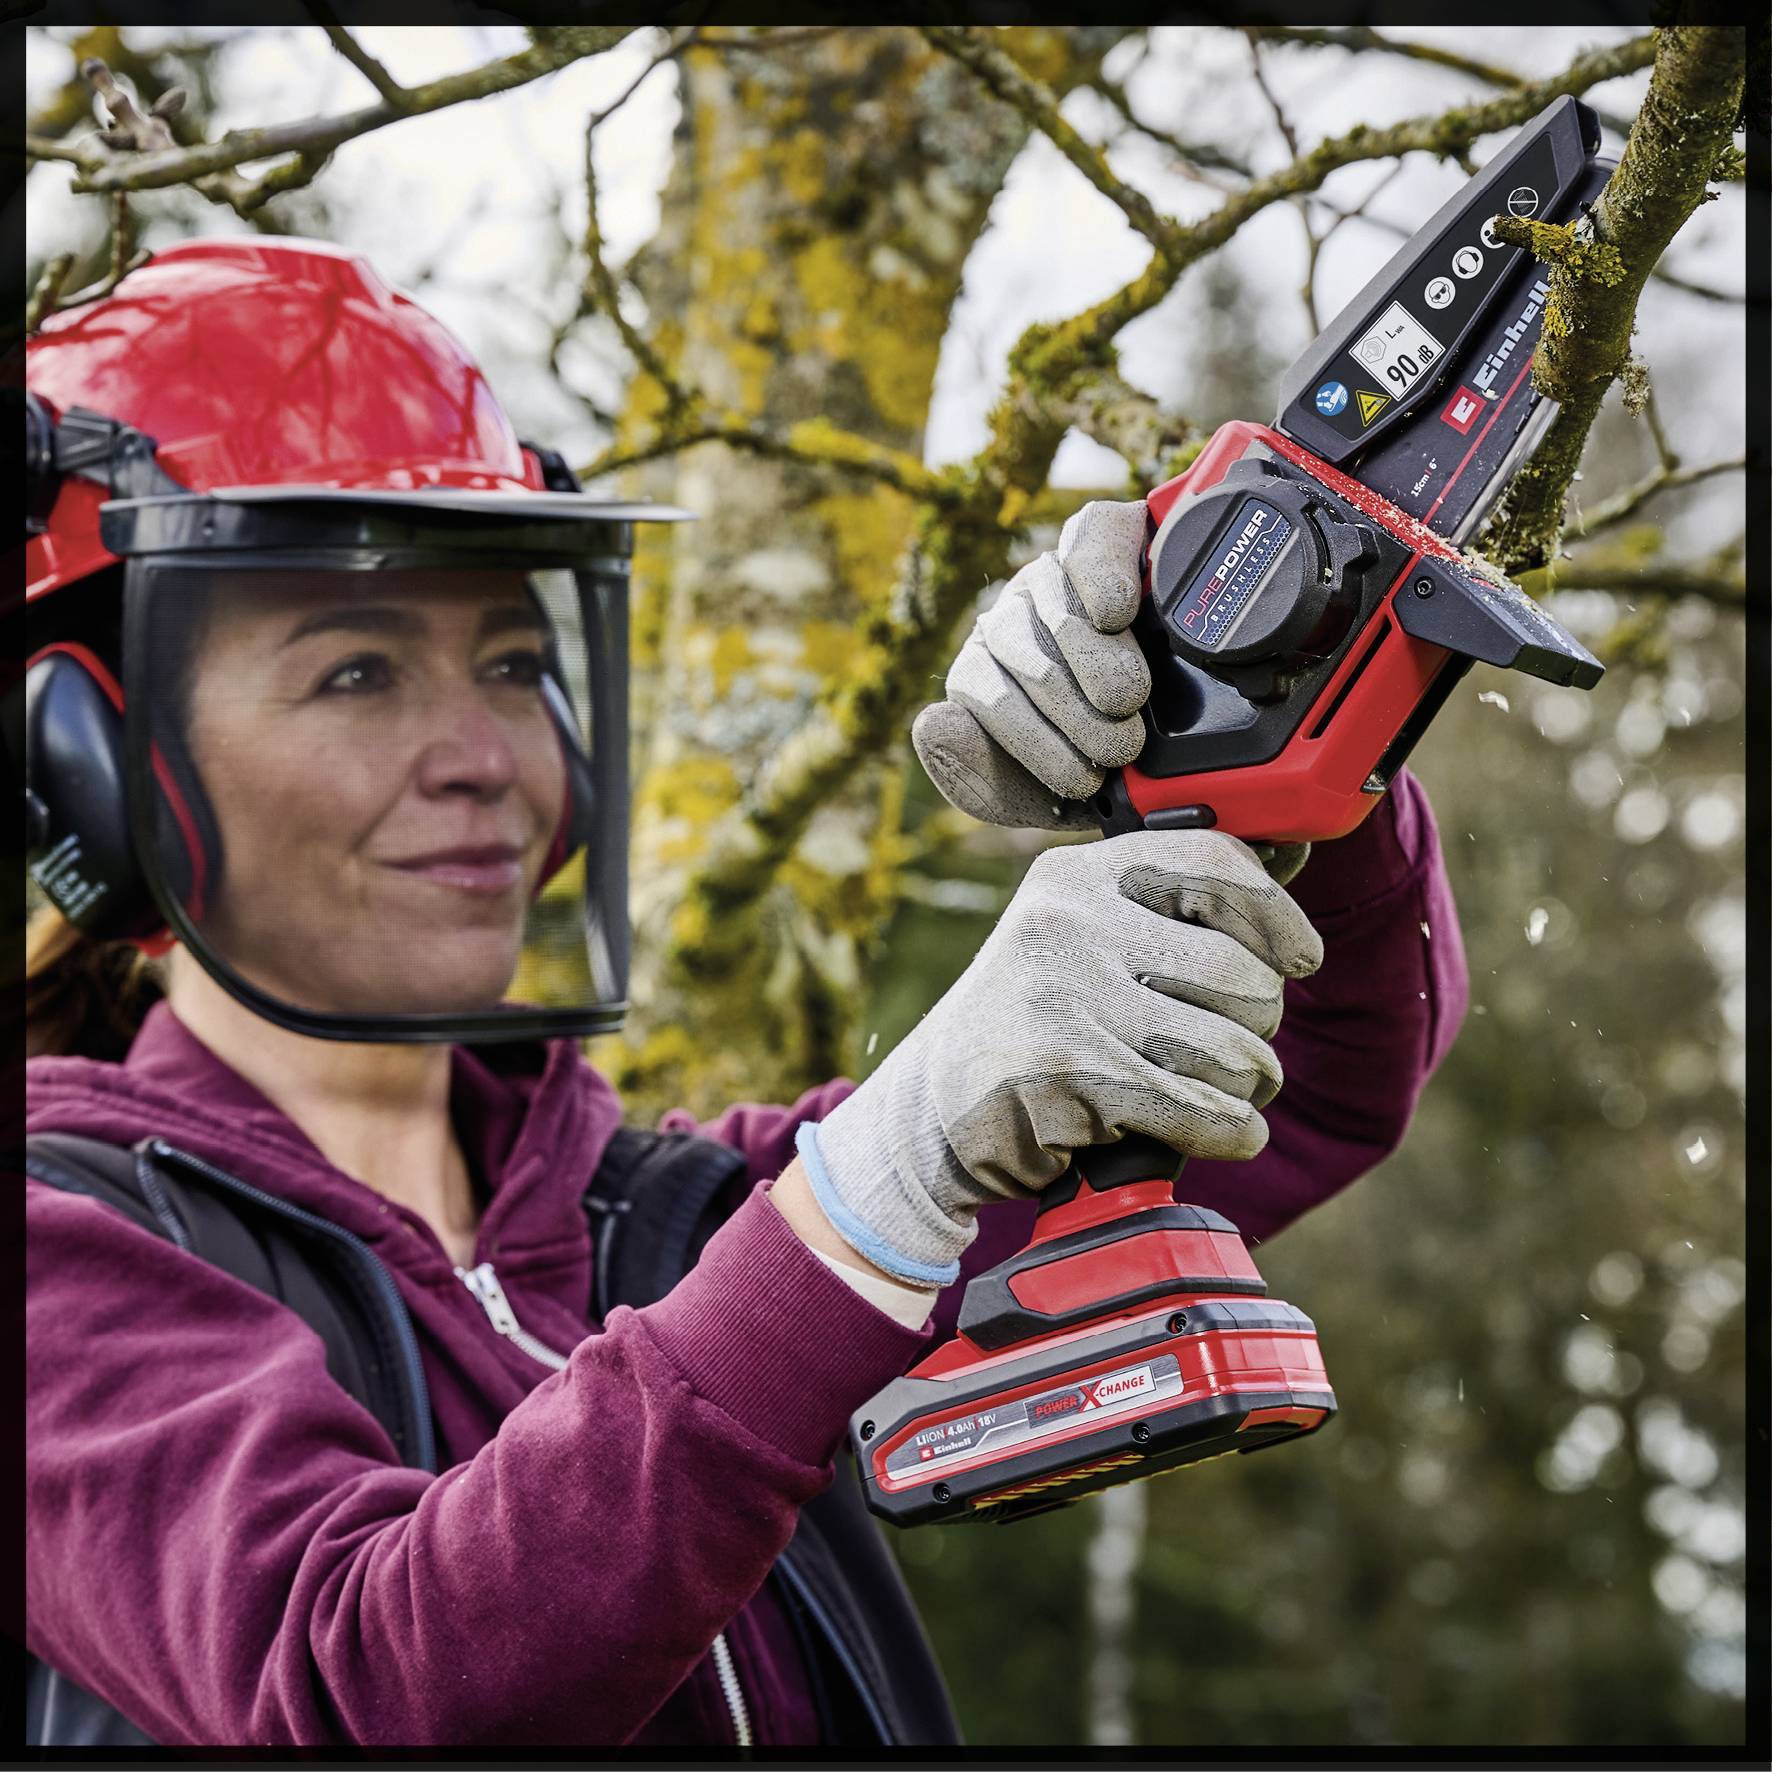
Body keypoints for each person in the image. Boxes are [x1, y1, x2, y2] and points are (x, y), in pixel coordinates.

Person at [22, 238, 1469, 1748]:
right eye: (357, 673)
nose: (488, 758)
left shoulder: (683, 1222)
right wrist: (878, 1183)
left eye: (517, 664)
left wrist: (1249, 733)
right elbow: (368, 1687)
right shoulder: (56, 1257)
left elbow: (1325, 1070)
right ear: (91, 759)